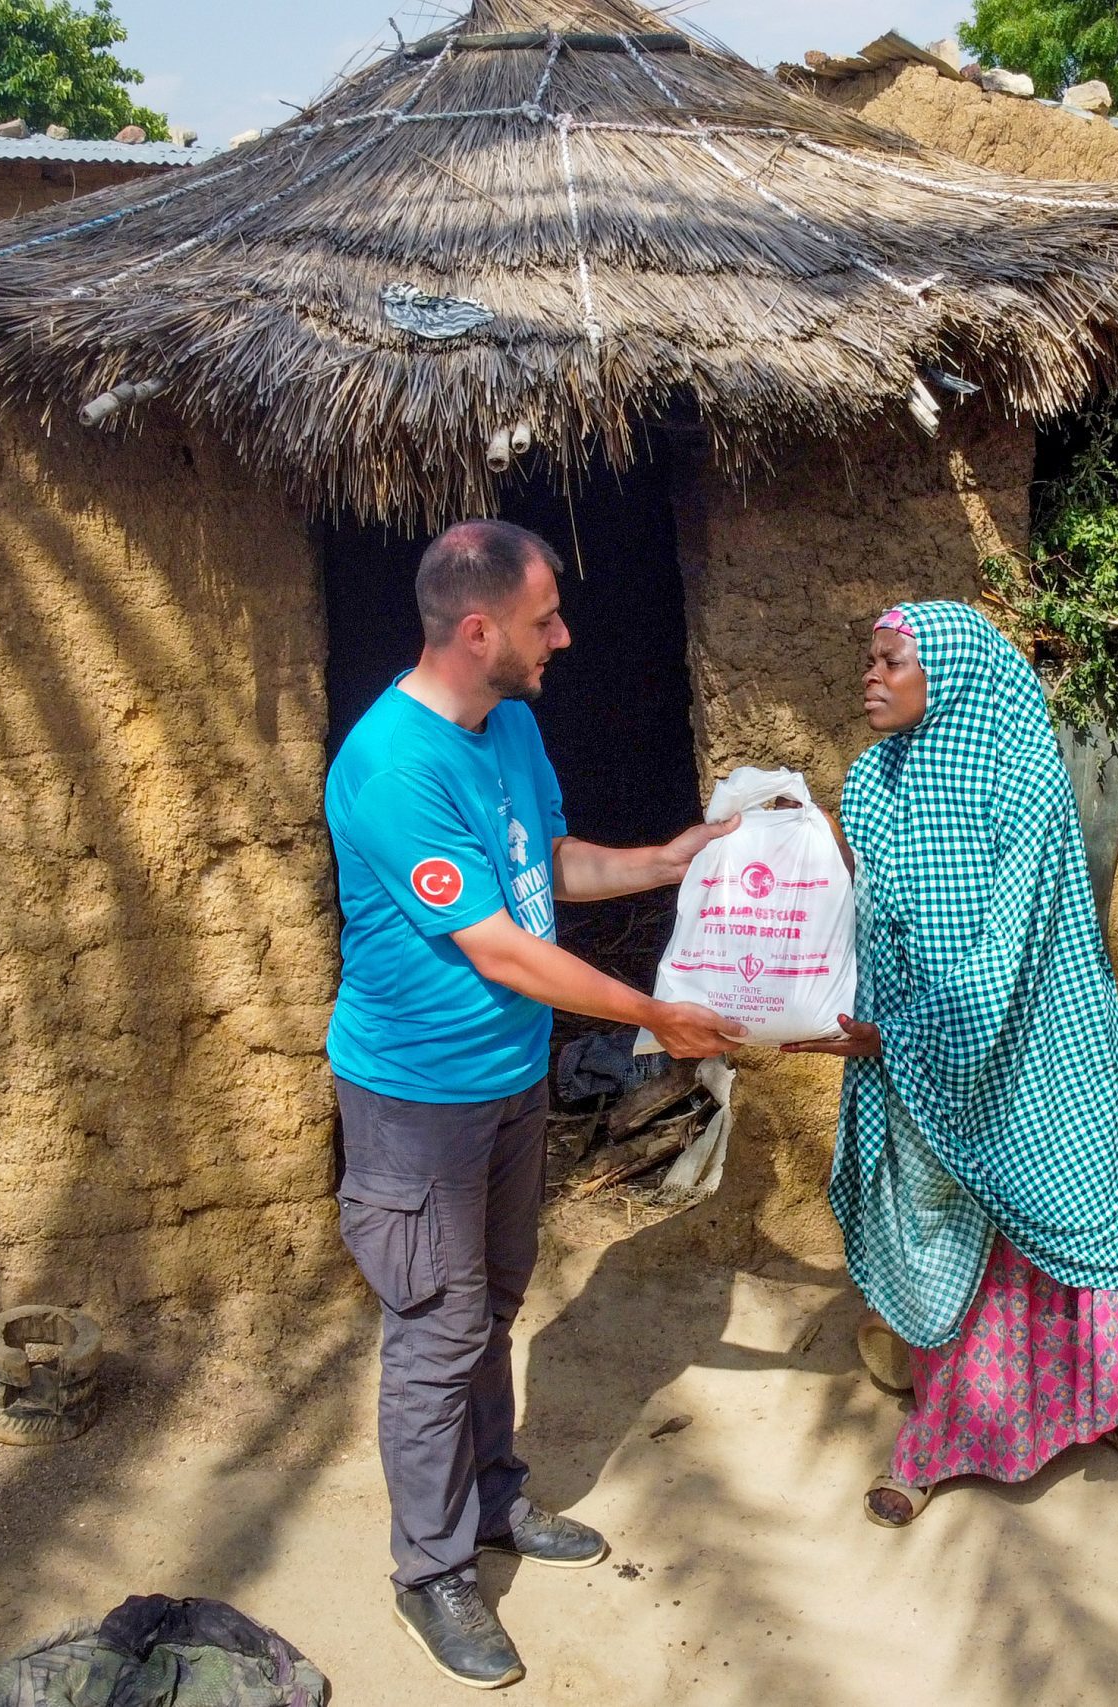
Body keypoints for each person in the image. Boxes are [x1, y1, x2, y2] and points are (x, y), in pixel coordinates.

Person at [324, 519, 743, 1689]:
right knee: (434, 1328)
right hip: (414, 1096)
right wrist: (653, 1015)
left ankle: (495, 1502)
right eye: (543, 619)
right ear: (476, 630)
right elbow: (502, 947)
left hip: (505, 1080)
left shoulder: (508, 725)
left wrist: (667, 859)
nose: (563, 637)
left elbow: (544, 869)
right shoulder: (390, 766)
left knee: (494, 1303)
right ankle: (430, 1572)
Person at [786, 601, 1118, 1527]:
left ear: (953, 680)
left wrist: (902, 1035)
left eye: (891, 660)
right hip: (921, 1055)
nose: (871, 676)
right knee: (962, 1235)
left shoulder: (1020, 781)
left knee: (1080, 1214)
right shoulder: (871, 785)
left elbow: (1007, 949)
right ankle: (944, 1433)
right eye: (870, 658)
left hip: (1044, 1043)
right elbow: (871, 929)